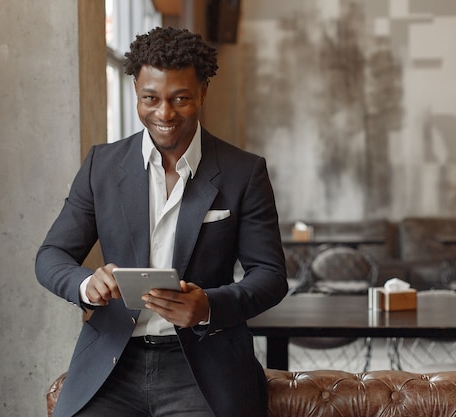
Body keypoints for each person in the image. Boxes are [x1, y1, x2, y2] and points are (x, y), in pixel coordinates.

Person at [35, 26, 288, 417]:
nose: (164, 114)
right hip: (112, 363)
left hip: (205, 365)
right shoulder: (100, 166)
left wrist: (207, 306)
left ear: (203, 91)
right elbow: (51, 256)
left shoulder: (243, 172)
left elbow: (270, 275)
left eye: (180, 99)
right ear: (136, 88)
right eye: (150, 98)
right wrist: (88, 283)